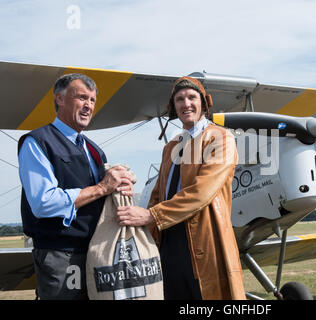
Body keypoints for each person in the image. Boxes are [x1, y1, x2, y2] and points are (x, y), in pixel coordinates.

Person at [116, 76, 246, 300]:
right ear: (174, 107)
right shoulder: (171, 147)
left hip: (206, 239)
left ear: (204, 103)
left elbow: (201, 192)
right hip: (168, 238)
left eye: (192, 97)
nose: (186, 104)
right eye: (179, 99)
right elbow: (158, 194)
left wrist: (151, 215)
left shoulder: (221, 139)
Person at [18, 73, 133, 300]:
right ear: (59, 99)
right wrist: (102, 188)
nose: (88, 106)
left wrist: (121, 186)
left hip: (98, 251)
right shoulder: (37, 142)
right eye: (81, 98)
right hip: (61, 255)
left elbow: (104, 193)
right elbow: (44, 203)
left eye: (92, 100)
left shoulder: (94, 150)